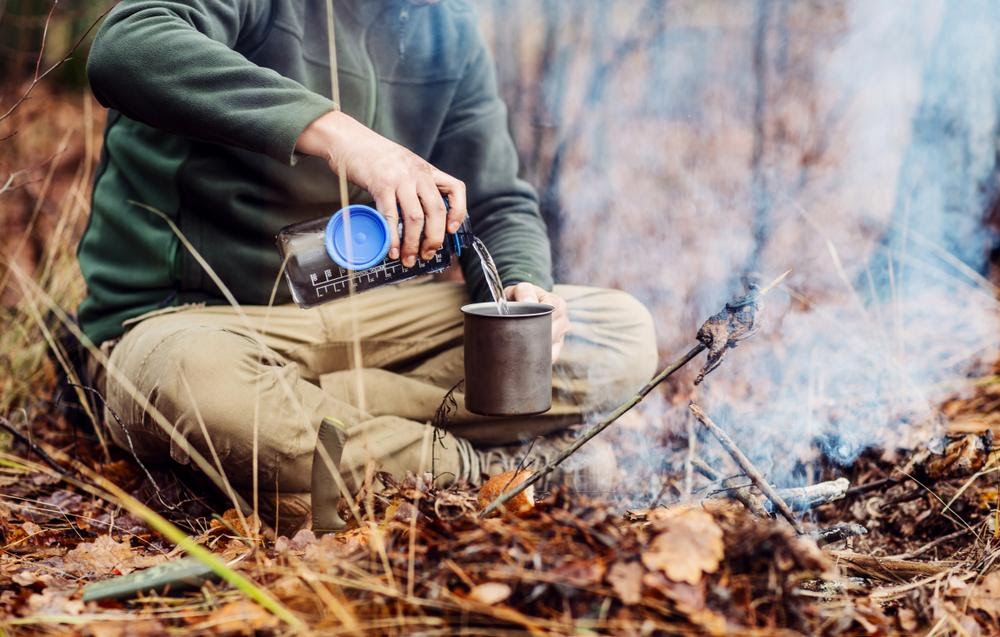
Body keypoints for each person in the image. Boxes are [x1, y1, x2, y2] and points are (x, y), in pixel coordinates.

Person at [78, 0, 657, 530]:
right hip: (188, 323)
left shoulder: (445, 28)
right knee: (202, 381)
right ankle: (500, 477)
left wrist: (524, 290)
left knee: (620, 332)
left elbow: (498, 201)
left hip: (372, 326)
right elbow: (127, 45)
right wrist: (345, 139)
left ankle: (295, 436)